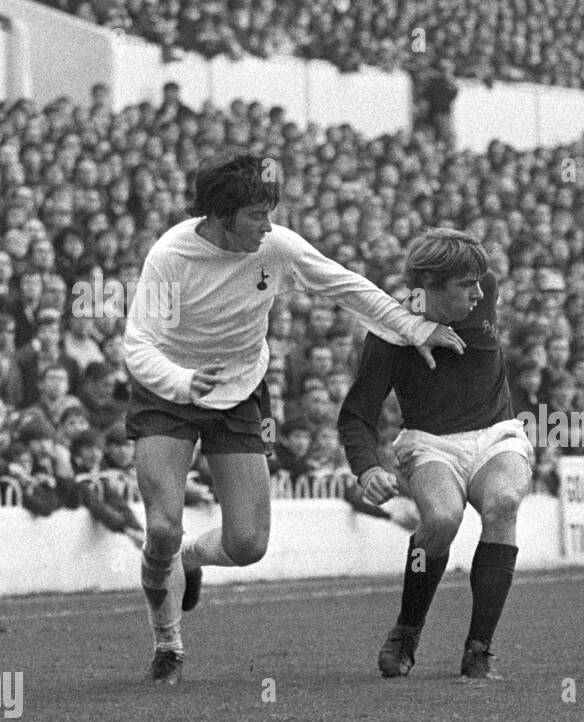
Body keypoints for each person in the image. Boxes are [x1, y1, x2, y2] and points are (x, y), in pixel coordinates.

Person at [124, 150, 465, 686]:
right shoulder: (171, 255)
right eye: (256, 215)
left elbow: (346, 286)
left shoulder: (275, 247)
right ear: (218, 214)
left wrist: (414, 328)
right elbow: (138, 344)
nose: (268, 224)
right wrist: (181, 382)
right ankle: (168, 643)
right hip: (168, 390)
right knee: (162, 526)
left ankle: (190, 560)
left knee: (248, 545)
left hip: (237, 392)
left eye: (269, 212)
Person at [339, 228, 533, 680]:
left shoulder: (483, 297)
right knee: (442, 518)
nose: (480, 293)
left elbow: (466, 266)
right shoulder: (387, 334)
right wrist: (367, 468)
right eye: (466, 285)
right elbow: (356, 415)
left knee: (503, 502)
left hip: (495, 433)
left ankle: (479, 650)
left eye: (479, 282)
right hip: (430, 442)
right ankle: (408, 629)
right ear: (431, 285)